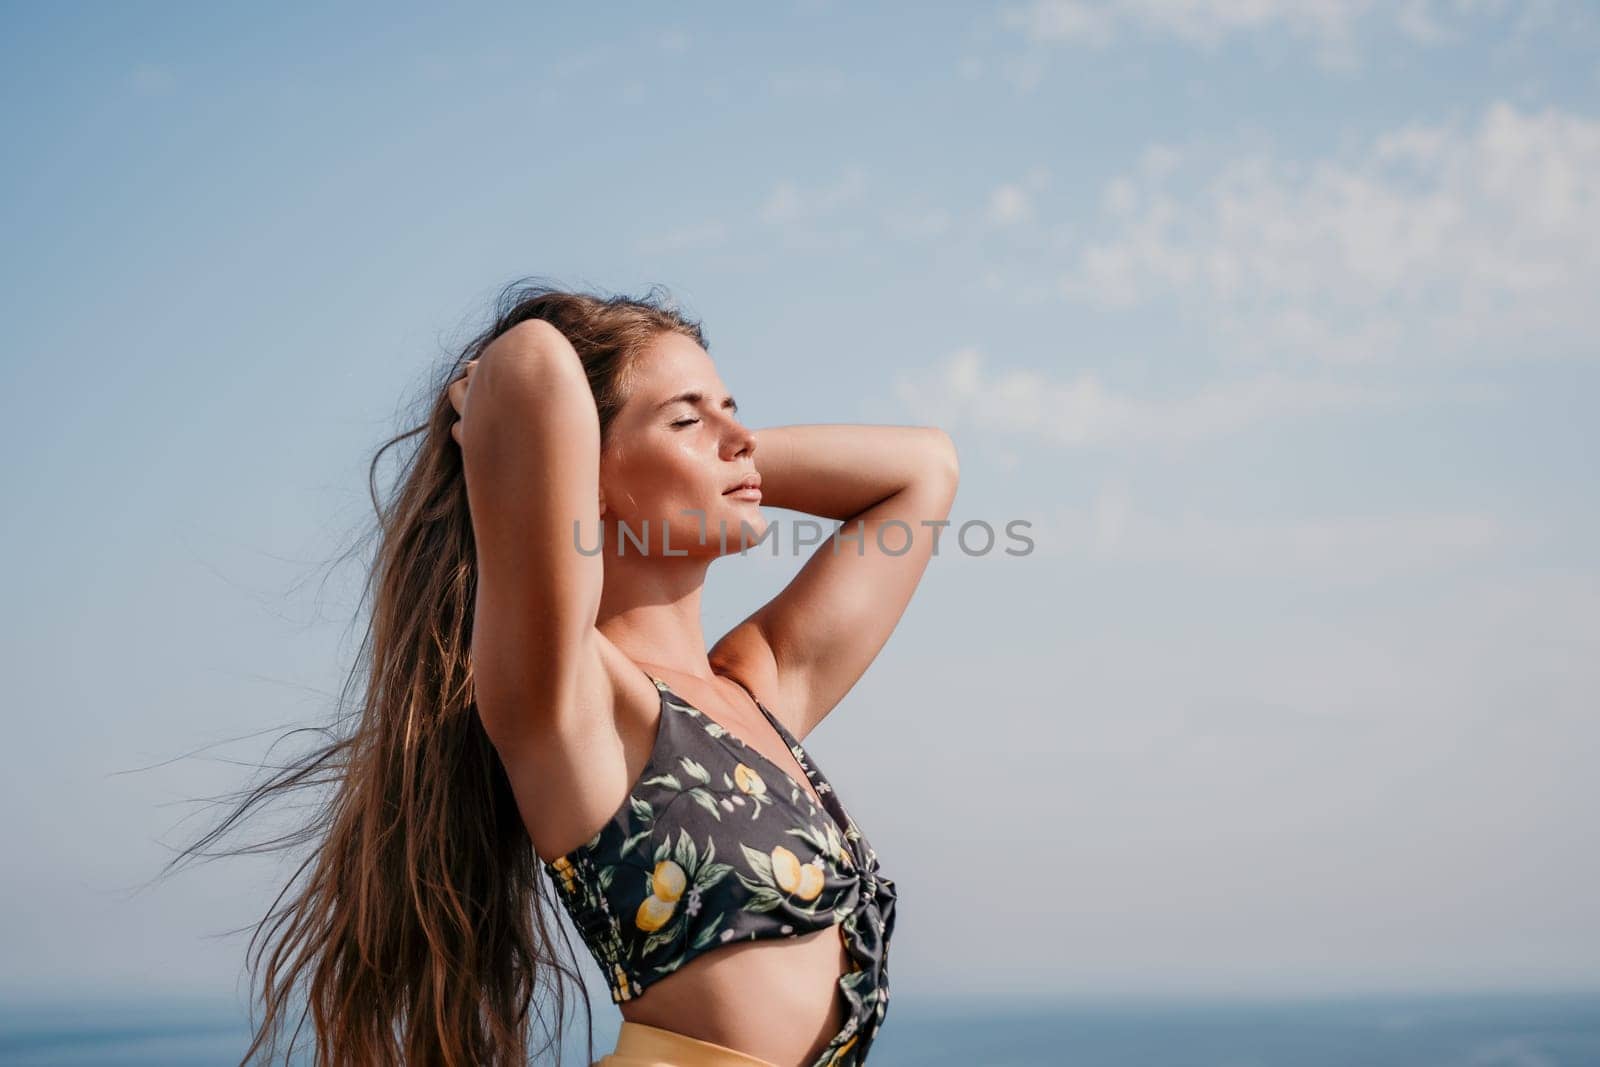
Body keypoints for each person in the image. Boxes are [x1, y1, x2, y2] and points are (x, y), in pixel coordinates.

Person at [186, 281, 957, 1067]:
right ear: (585, 464)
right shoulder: (572, 698)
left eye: (734, 409)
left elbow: (924, 470)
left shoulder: (757, 687)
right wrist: (558, 449)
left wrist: (702, 452)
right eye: (690, 418)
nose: (740, 436)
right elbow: (532, 367)